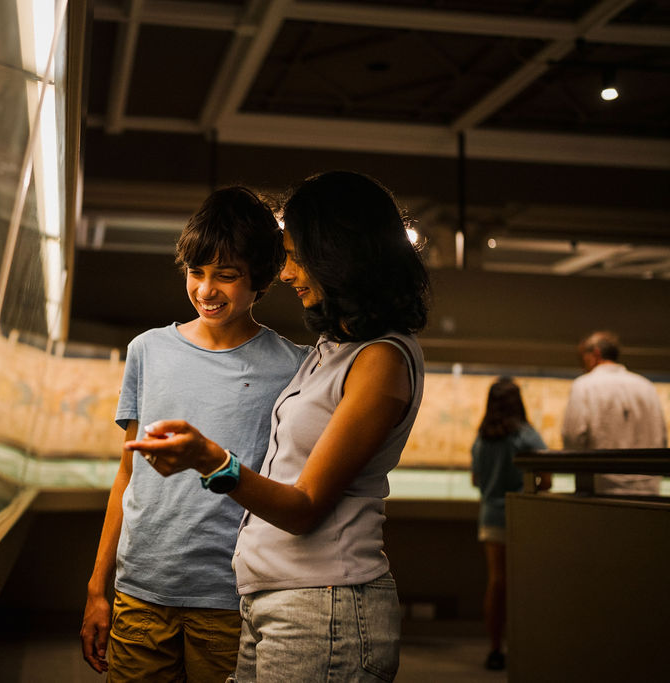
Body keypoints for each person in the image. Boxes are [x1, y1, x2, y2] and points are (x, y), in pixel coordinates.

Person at [126, 170, 430, 682]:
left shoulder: (381, 360)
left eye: (295, 256)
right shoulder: (335, 350)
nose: (286, 273)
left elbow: (306, 507)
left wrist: (211, 460)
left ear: (338, 254)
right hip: (279, 604)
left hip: (325, 610)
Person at [80, 186, 308, 681]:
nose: (207, 290)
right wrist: (99, 589)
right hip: (140, 591)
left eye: (226, 276)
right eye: (196, 272)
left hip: (234, 597)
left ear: (261, 280)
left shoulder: (293, 367)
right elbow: (127, 475)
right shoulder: (147, 350)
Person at [471, 377, 550, 671]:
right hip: (522, 518)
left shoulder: (482, 438)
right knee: (524, 584)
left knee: (497, 582)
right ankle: (526, 647)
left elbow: (476, 479)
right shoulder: (527, 436)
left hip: (491, 517)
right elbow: (547, 478)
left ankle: (495, 649)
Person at [561, 330, 668, 495]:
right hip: (648, 489)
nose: (582, 365)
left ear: (595, 354)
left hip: (603, 489)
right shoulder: (646, 386)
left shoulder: (584, 386)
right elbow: (661, 437)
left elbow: (572, 438)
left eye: (583, 358)